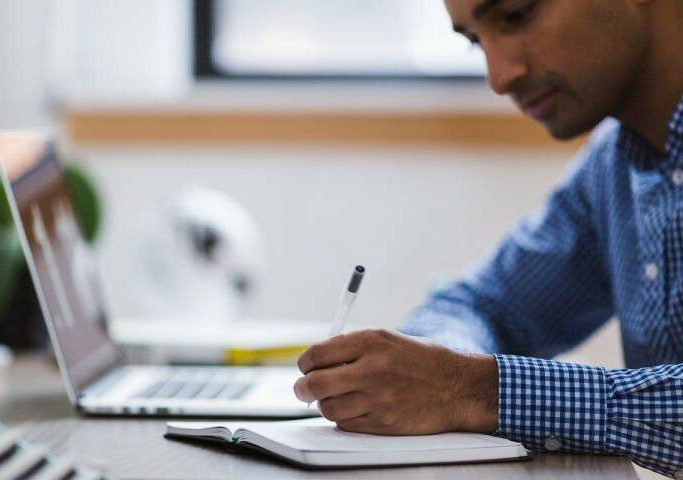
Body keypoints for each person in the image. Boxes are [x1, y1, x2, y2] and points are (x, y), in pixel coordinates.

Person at [292, 0, 683, 477]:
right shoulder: (614, 164)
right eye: (475, 41)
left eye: (516, 15)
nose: (498, 78)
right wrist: (432, 370)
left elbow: (471, 379)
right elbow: (483, 305)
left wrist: (475, 389)